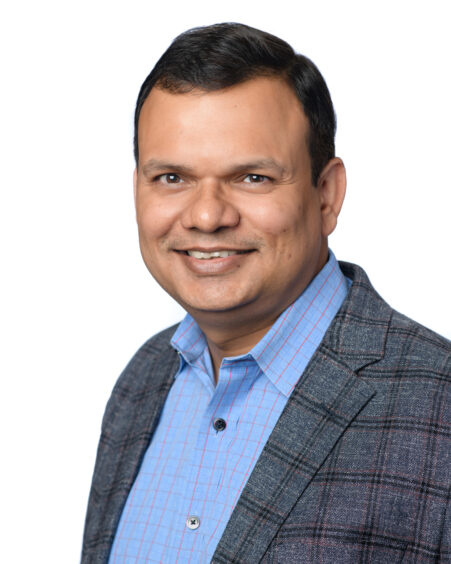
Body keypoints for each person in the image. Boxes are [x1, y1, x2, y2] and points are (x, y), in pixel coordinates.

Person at [82, 23, 450, 564]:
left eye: (252, 177)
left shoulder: (438, 403)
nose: (207, 216)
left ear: (326, 195)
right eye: (172, 178)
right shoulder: (142, 383)